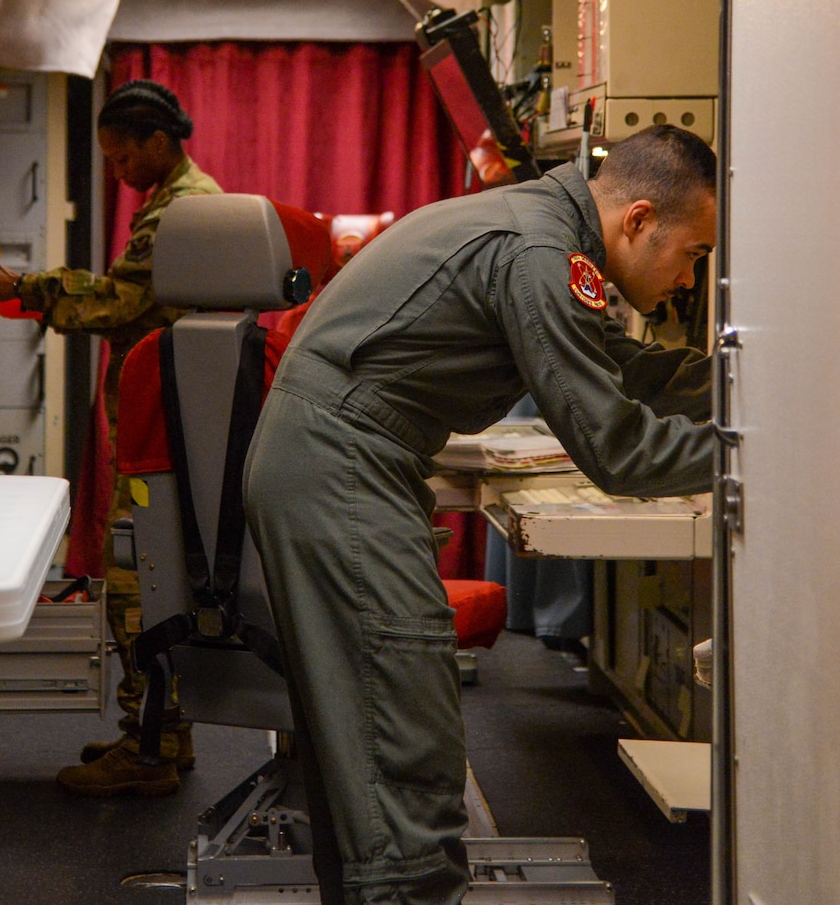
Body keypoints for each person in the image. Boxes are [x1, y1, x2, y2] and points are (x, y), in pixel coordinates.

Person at [244, 125, 722, 905]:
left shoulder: (547, 228)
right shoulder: (541, 252)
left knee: (363, 752)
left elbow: (622, 367)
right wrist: (747, 450)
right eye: (692, 254)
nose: (687, 279)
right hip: (341, 466)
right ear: (638, 219)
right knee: (402, 743)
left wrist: (738, 386)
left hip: (335, 459)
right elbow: (615, 448)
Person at [0, 78, 220, 797]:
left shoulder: (180, 212)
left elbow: (121, 299)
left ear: (158, 143)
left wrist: (26, 287)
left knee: (140, 588)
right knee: (157, 583)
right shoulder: (183, 202)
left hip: (162, 435)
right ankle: (163, 731)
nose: (118, 172)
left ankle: (149, 753)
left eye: (121, 156)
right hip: (170, 425)